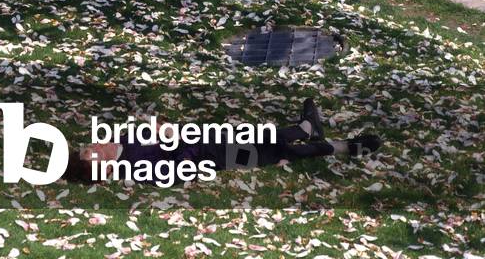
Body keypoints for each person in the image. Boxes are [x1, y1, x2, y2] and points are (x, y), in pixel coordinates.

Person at [63, 98, 381, 183]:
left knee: (268, 137)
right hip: (212, 153)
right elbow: (175, 169)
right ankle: (337, 144)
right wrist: (172, 138)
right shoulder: (134, 165)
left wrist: (159, 127)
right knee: (280, 152)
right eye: (94, 155)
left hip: (209, 136)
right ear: (104, 170)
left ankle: (310, 130)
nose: (95, 147)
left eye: (88, 147)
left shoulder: (121, 140)